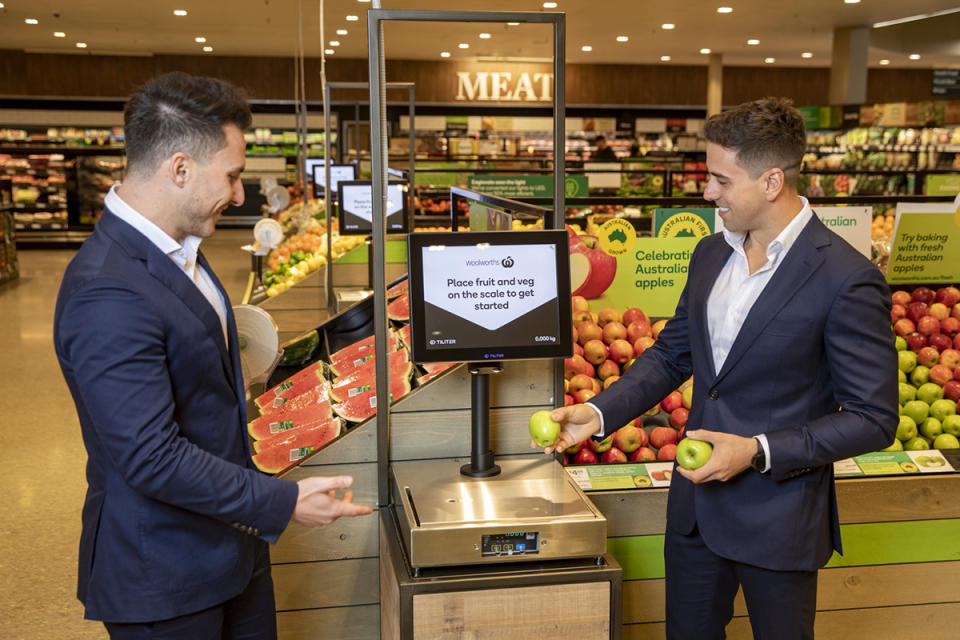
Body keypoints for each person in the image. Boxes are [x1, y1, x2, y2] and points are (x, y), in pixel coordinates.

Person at [542, 97, 898, 638]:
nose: (708, 192)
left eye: (721, 180)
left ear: (772, 182)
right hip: (695, 511)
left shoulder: (846, 278)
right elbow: (672, 354)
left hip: (778, 517)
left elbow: (874, 417)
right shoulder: (711, 253)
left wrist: (756, 450)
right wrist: (598, 412)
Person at [53, 71, 372, 639]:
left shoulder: (179, 249)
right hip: (168, 578)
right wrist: (282, 501)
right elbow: (150, 456)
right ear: (180, 168)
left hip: (230, 547)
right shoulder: (108, 289)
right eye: (233, 176)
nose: (240, 194)